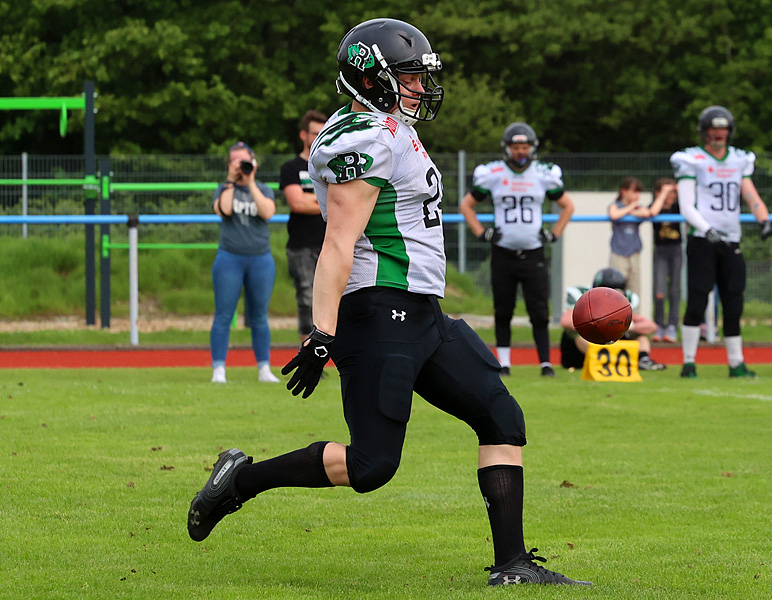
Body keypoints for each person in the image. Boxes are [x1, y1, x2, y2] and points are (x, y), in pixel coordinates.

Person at [187, 18, 590, 587]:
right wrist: (322, 332)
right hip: (379, 310)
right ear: (371, 78)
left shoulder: (389, 127)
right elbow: (337, 242)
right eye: (409, 76)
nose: (420, 87)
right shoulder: (362, 138)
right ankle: (240, 480)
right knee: (372, 465)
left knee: (502, 417)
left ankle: (512, 565)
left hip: (423, 311)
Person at [460, 122, 575, 377]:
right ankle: (504, 363)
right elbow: (466, 205)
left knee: (539, 311)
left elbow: (568, 205)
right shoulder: (493, 173)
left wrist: (554, 234)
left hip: (533, 252)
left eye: (525, 146)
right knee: (503, 310)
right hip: (503, 252)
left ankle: (545, 363)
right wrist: (481, 232)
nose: (521, 151)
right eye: (516, 146)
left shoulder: (543, 174)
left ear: (532, 148)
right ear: (507, 148)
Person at [671, 105, 772, 379]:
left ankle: (736, 363)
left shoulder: (739, 160)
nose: (719, 134)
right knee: (697, 301)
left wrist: (763, 219)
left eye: (723, 129)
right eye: (713, 129)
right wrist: (707, 230)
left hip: (731, 240)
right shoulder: (691, 159)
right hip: (703, 240)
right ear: (704, 132)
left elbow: (749, 193)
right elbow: (686, 206)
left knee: (733, 303)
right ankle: (689, 362)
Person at [209, 141, 279, 383]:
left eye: (245, 160)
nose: (241, 166)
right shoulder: (222, 189)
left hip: (260, 259)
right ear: (229, 164)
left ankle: (264, 368)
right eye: (236, 161)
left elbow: (268, 212)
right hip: (229, 257)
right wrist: (231, 180)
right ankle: (219, 369)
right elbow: (225, 209)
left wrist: (250, 182)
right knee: (223, 314)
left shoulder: (263, 189)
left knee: (259, 316)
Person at [280, 109, 329, 339]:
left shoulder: (331, 167)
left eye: (323, 132)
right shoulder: (291, 168)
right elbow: (297, 203)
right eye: (315, 133)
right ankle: (308, 351)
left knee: (337, 299)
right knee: (307, 299)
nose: (319, 137)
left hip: (330, 244)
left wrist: (313, 200)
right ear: (303, 135)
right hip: (302, 246)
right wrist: (330, 201)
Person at [559, 268, 666, 371]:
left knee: (640, 335)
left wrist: (628, 325)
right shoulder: (584, 299)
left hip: (613, 339)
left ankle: (644, 360)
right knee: (576, 333)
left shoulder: (625, 301)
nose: (609, 297)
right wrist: (593, 322)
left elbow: (651, 326)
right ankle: (604, 359)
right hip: (585, 348)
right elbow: (566, 321)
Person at [607, 176, 668, 300]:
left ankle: (634, 312)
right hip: (618, 254)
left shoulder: (637, 207)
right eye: (634, 191)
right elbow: (614, 214)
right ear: (624, 191)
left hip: (634, 254)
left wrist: (630, 211)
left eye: (639, 192)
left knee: (634, 292)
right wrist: (630, 208)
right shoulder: (616, 205)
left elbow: (647, 213)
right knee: (617, 290)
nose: (637, 195)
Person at [649, 177, 682, 343]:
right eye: (667, 192)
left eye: (673, 192)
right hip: (661, 252)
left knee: (674, 290)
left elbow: (690, 202)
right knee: (659, 290)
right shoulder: (655, 206)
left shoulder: (678, 207)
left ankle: (672, 326)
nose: (671, 196)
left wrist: (680, 188)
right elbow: (652, 212)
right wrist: (663, 195)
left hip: (676, 251)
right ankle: (659, 325)